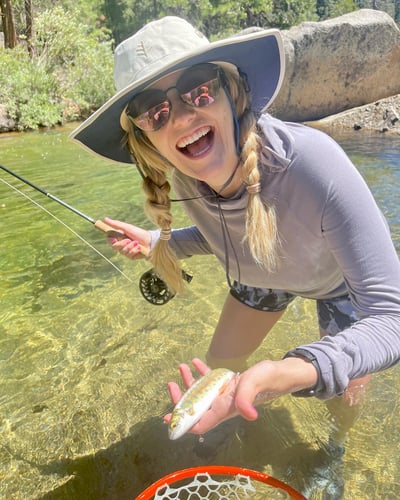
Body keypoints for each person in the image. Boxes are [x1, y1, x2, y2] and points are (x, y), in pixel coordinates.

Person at [70, 16, 400, 440]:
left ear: (232, 92)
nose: (183, 117)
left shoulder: (314, 163)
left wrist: (293, 369)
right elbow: (231, 236)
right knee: (217, 372)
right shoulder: (190, 173)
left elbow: (391, 317)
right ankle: (217, 441)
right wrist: (158, 242)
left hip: (338, 287)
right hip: (260, 277)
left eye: (199, 88)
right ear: (144, 137)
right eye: (154, 111)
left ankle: (334, 452)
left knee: (341, 394)